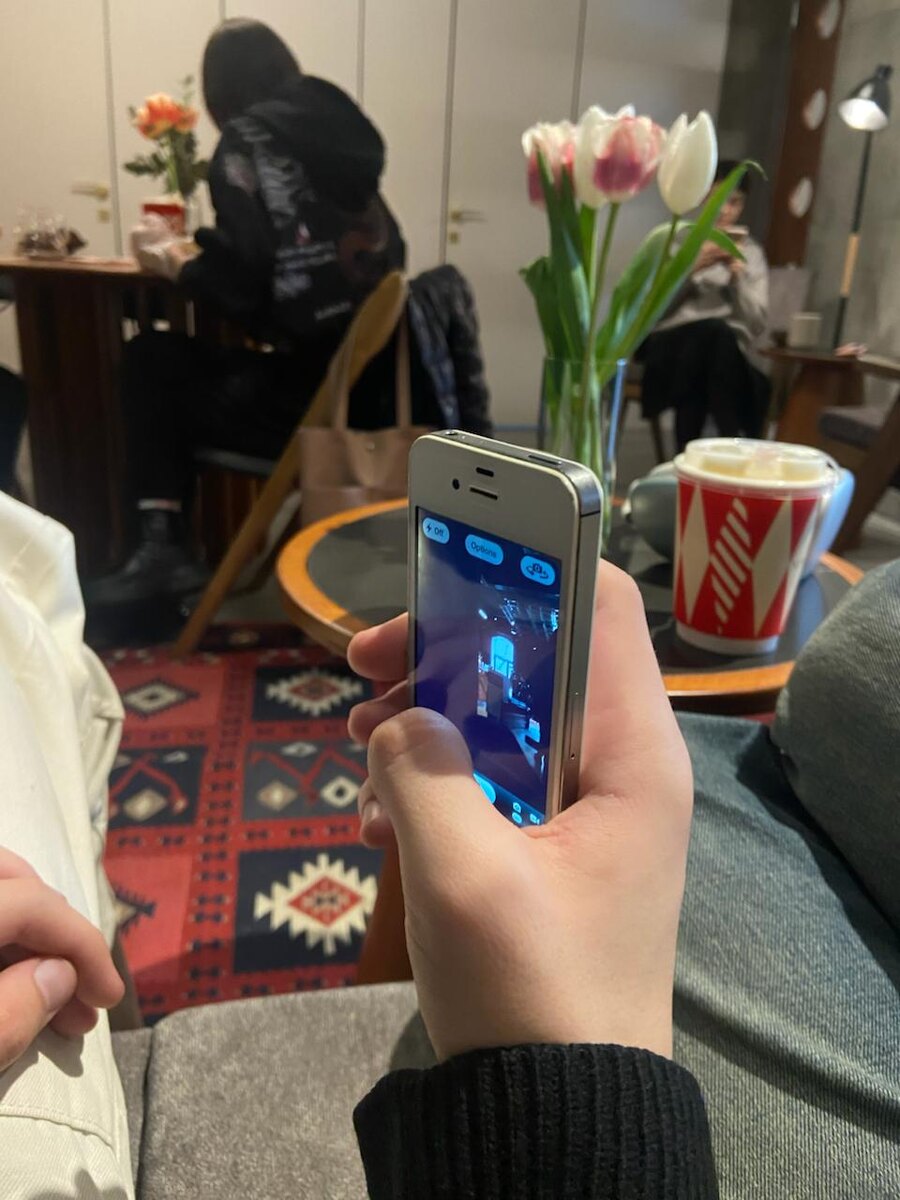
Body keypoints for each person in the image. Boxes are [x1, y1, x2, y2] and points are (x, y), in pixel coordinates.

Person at [89, 18, 491, 609]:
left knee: (153, 359)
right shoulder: (338, 140)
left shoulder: (247, 143)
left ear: (220, 95)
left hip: (319, 407)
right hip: (371, 389)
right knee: (174, 362)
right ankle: (171, 547)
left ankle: (162, 545)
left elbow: (253, 296)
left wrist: (176, 262)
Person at [638, 159, 770, 452]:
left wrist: (738, 280)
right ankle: (730, 443)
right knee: (712, 337)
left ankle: (686, 451)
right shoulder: (677, 242)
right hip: (671, 345)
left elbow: (757, 323)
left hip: (725, 354)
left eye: (734, 202)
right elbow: (648, 312)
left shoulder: (752, 254)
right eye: (718, 200)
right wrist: (690, 271)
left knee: (716, 340)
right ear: (703, 198)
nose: (725, 210)